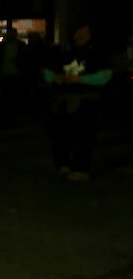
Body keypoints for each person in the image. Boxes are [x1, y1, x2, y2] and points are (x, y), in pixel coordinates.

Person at [42, 23, 111, 182]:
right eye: (78, 33)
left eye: (84, 34)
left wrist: (81, 79)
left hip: (86, 99)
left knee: (83, 134)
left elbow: (105, 75)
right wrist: (55, 78)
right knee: (60, 134)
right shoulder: (65, 51)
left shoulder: (97, 53)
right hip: (63, 99)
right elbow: (47, 70)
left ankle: (80, 167)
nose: (80, 37)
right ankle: (63, 164)